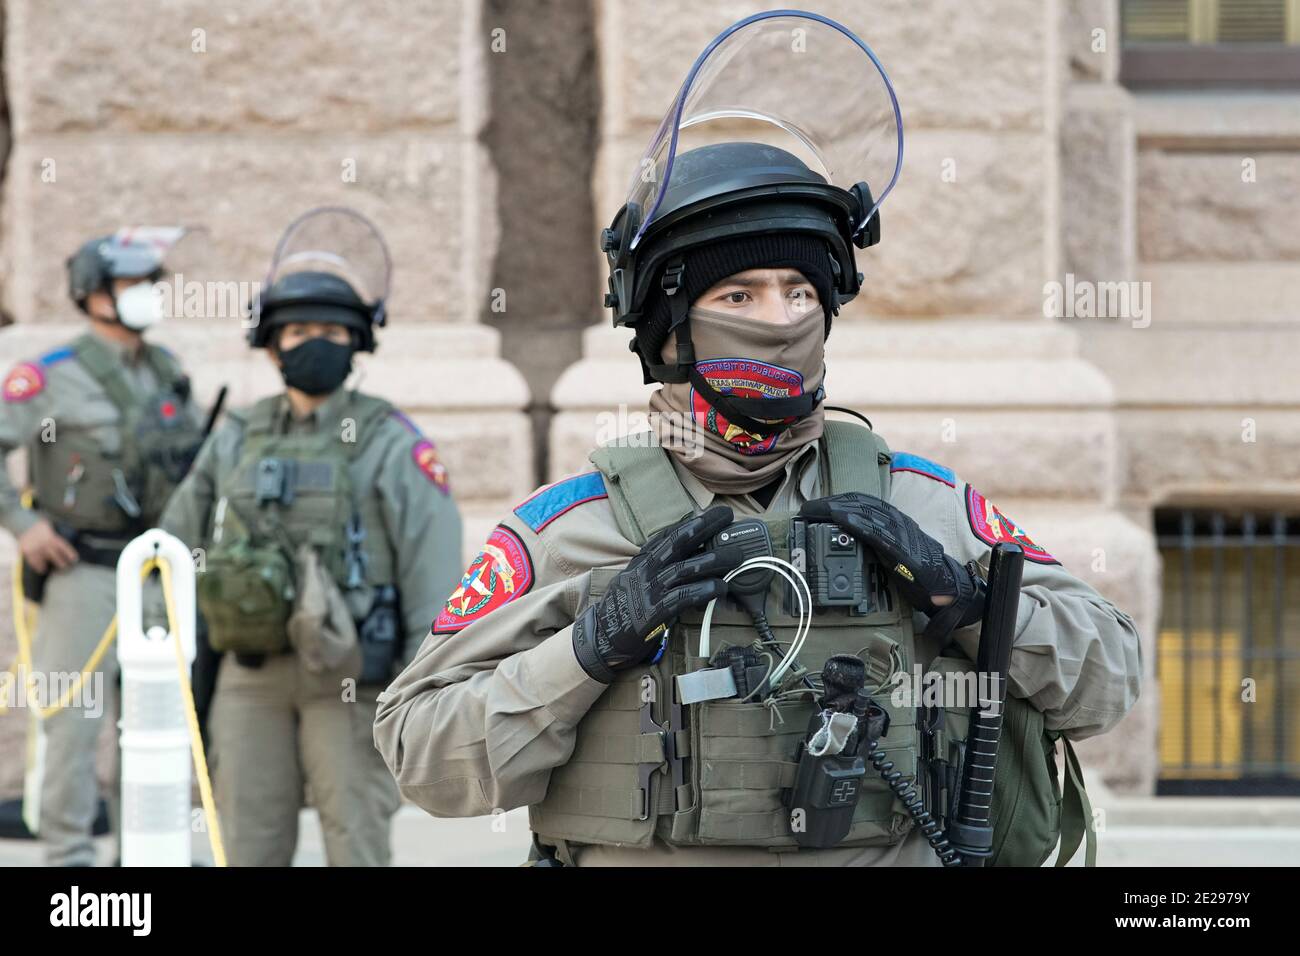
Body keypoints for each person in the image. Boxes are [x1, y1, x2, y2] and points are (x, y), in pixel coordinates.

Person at [374, 12, 1141, 867]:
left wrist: (964, 598)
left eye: (799, 292)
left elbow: (1108, 679)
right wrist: (588, 649)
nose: (779, 320)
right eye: (739, 295)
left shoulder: (915, 499)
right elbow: (420, 755)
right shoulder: (571, 530)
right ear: (670, 333)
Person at [161, 208, 463, 866]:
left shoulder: (390, 439)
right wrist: (159, 650)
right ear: (272, 344)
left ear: (358, 343)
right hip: (249, 674)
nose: (314, 343)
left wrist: (425, 687)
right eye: (298, 331)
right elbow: (172, 543)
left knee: (354, 840)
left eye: (331, 331)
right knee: (244, 840)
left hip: (351, 679)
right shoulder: (237, 433)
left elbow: (432, 570)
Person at [0, 228, 205, 866]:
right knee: (71, 720)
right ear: (92, 294)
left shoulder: (166, 369)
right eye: (129, 284)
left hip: (157, 568)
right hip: (81, 568)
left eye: (150, 283)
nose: (145, 295)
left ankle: (157, 850)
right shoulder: (49, 376)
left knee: (167, 715)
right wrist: (22, 524)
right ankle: (68, 860)